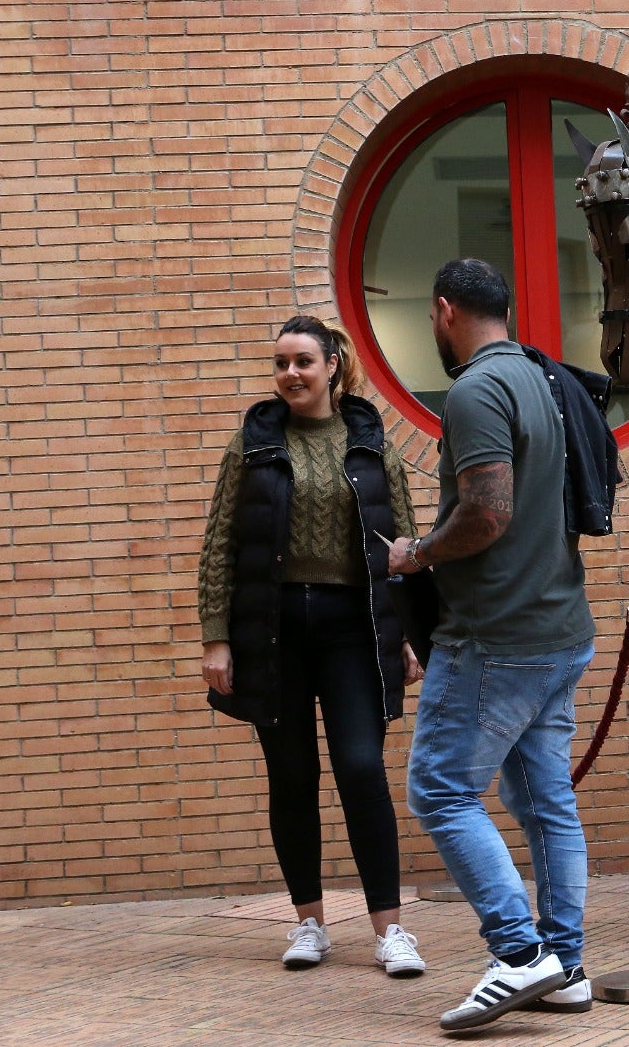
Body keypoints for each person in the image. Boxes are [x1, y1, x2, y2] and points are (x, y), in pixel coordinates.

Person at [388, 258, 598, 1032]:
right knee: (546, 802)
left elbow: (486, 514)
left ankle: (519, 955)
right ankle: (567, 966)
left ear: (444, 311)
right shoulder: (541, 380)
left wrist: (416, 554)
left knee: (440, 790)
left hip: (495, 637)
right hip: (558, 629)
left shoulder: (477, 389)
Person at [198, 314, 428, 978]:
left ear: (332, 365)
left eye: (302, 361)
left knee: (360, 766)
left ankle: (390, 932)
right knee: (292, 775)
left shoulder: (371, 440)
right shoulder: (253, 442)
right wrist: (216, 638)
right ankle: (309, 924)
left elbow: (404, 543)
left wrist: (410, 633)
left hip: (351, 627)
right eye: (280, 363)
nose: (290, 374)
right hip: (272, 629)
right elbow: (219, 543)